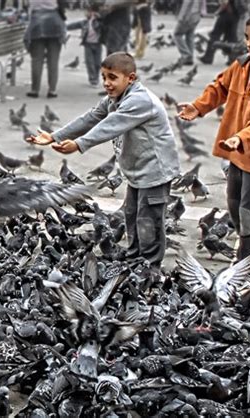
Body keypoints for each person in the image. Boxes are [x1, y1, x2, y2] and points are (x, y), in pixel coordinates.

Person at [28, 52, 181, 269]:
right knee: (132, 215)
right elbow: (91, 117)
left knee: (149, 220)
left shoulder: (139, 101)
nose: (107, 83)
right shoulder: (115, 98)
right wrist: (56, 136)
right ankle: (135, 255)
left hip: (155, 171)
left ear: (131, 78)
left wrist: (79, 144)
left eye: (112, 77)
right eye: (104, 77)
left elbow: (110, 125)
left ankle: (151, 266)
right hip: (138, 170)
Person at [178, 10, 250, 270]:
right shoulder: (242, 64)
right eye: (247, 37)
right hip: (237, 153)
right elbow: (220, 87)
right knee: (236, 207)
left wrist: (240, 138)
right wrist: (199, 107)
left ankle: (249, 264)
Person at [23, 0, 67, 98]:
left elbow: (27, 6)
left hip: (37, 23)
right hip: (55, 23)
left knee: (37, 60)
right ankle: (52, 90)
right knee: (53, 60)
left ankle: (35, 90)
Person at [66, 3, 103, 88]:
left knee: (97, 62)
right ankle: (92, 79)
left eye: (88, 12)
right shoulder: (84, 22)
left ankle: (96, 77)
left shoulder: (99, 21)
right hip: (88, 44)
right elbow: (73, 25)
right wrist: (64, 27)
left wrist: (99, 17)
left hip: (98, 44)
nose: (86, 14)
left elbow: (105, 25)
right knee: (89, 62)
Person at [199, 0, 246, 64]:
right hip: (235, 16)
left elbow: (225, 3)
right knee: (231, 37)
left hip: (225, 15)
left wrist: (217, 12)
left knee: (215, 36)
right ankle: (232, 59)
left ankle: (208, 57)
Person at [174, 0, 205, 66]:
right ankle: (190, 59)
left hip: (188, 16)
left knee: (177, 34)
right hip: (196, 16)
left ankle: (186, 55)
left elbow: (187, 5)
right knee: (190, 36)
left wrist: (181, 17)